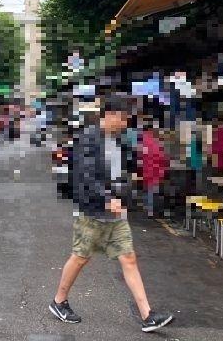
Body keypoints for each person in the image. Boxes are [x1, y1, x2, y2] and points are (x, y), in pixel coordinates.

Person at [49, 92, 173, 333]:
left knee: (129, 258)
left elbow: (119, 172)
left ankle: (148, 315)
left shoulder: (118, 140)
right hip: (93, 210)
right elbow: (84, 176)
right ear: (111, 115)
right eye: (124, 118)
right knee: (80, 257)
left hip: (115, 211)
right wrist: (106, 198)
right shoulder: (88, 138)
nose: (126, 123)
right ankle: (58, 301)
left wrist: (126, 187)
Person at [140, 124, 169, 218]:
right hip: (154, 170)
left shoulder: (143, 139)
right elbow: (160, 157)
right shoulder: (154, 142)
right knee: (152, 190)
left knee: (147, 189)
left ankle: (147, 208)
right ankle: (150, 211)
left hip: (146, 169)